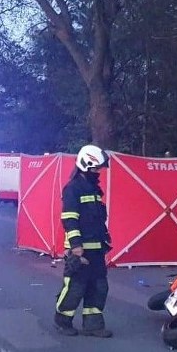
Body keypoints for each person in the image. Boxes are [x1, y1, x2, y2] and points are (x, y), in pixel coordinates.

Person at [54, 145, 113, 338]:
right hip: (80, 249)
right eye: (96, 168)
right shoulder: (73, 188)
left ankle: (93, 325)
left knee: (99, 287)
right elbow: (69, 219)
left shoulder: (93, 188)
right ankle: (62, 321)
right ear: (86, 165)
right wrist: (76, 246)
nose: (98, 172)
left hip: (96, 249)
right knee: (75, 287)